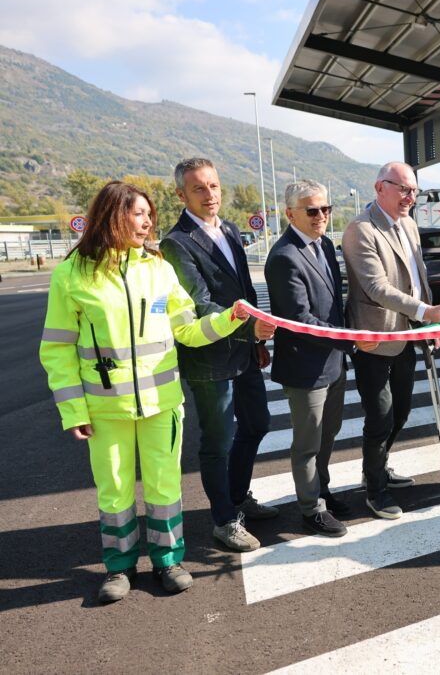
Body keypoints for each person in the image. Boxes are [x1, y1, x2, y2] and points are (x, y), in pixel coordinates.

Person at [39, 181, 252, 603]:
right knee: (114, 491)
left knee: (164, 486)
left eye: (149, 215)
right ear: (113, 216)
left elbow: (187, 330)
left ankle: (168, 561)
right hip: (105, 408)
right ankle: (119, 567)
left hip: (162, 404)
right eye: (139, 214)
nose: (148, 222)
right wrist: (73, 409)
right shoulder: (72, 273)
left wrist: (229, 318)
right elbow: (57, 349)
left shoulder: (158, 269)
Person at [160, 158, 278, 554]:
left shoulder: (229, 230)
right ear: (181, 195)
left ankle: (238, 496)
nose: (209, 194)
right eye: (199, 188)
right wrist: (249, 328)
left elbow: (244, 291)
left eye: (213, 185)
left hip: (243, 351)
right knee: (218, 442)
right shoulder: (176, 243)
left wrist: (256, 342)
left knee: (257, 424)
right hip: (209, 358)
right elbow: (199, 304)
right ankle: (224, 520)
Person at [342, 162, 440, 520]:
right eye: (405, 189)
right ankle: (375, 490)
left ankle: (377, 467)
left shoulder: (408, 224)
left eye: (415, 191)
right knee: (380, 416)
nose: (411, 197)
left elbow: (418, 277)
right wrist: (426, 312)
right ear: (380, 187)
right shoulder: (361, 229)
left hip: (407, 335)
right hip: (374, 338)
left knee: (401, 411)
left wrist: (429, 323)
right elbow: (376, 287)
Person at [265, 180, 359, 537]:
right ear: (291, 214)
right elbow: (299, 319)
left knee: (328, 435)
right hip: (305, 367)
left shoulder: (325, 245)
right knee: (307, 443)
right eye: (312, 210)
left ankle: (321, 490)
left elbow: (334, 303)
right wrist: (349, 338)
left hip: (332, 363)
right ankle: (310, 509)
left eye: (326, 209)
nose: (321, 216)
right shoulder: (284, 257)